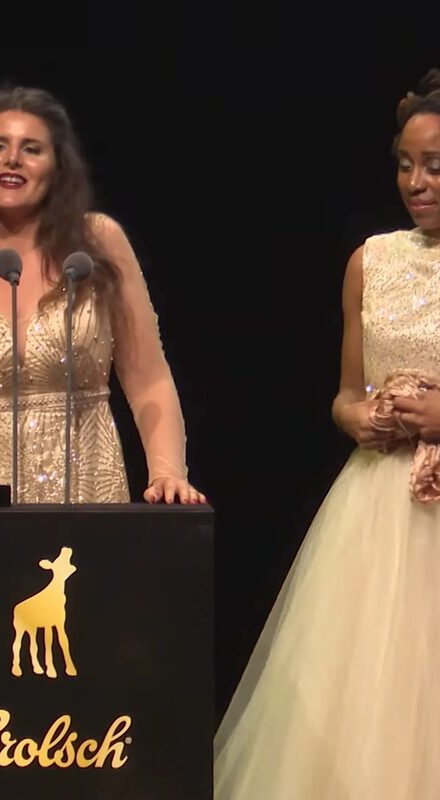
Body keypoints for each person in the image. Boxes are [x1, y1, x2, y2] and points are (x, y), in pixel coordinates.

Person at [214, 69, 440, 798]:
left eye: (435, 165)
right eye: (405, 166)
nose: (417, 182)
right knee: (365, 693)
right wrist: (365, 417)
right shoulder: (369, 261)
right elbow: (346, 395)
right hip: (377, 507)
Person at [0, 85, 205, 505]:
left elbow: (149, 378)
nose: (12, 158)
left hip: (86, 495)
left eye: (31, 148)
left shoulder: (98, 243)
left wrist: (167, 472)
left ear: (56, 167)